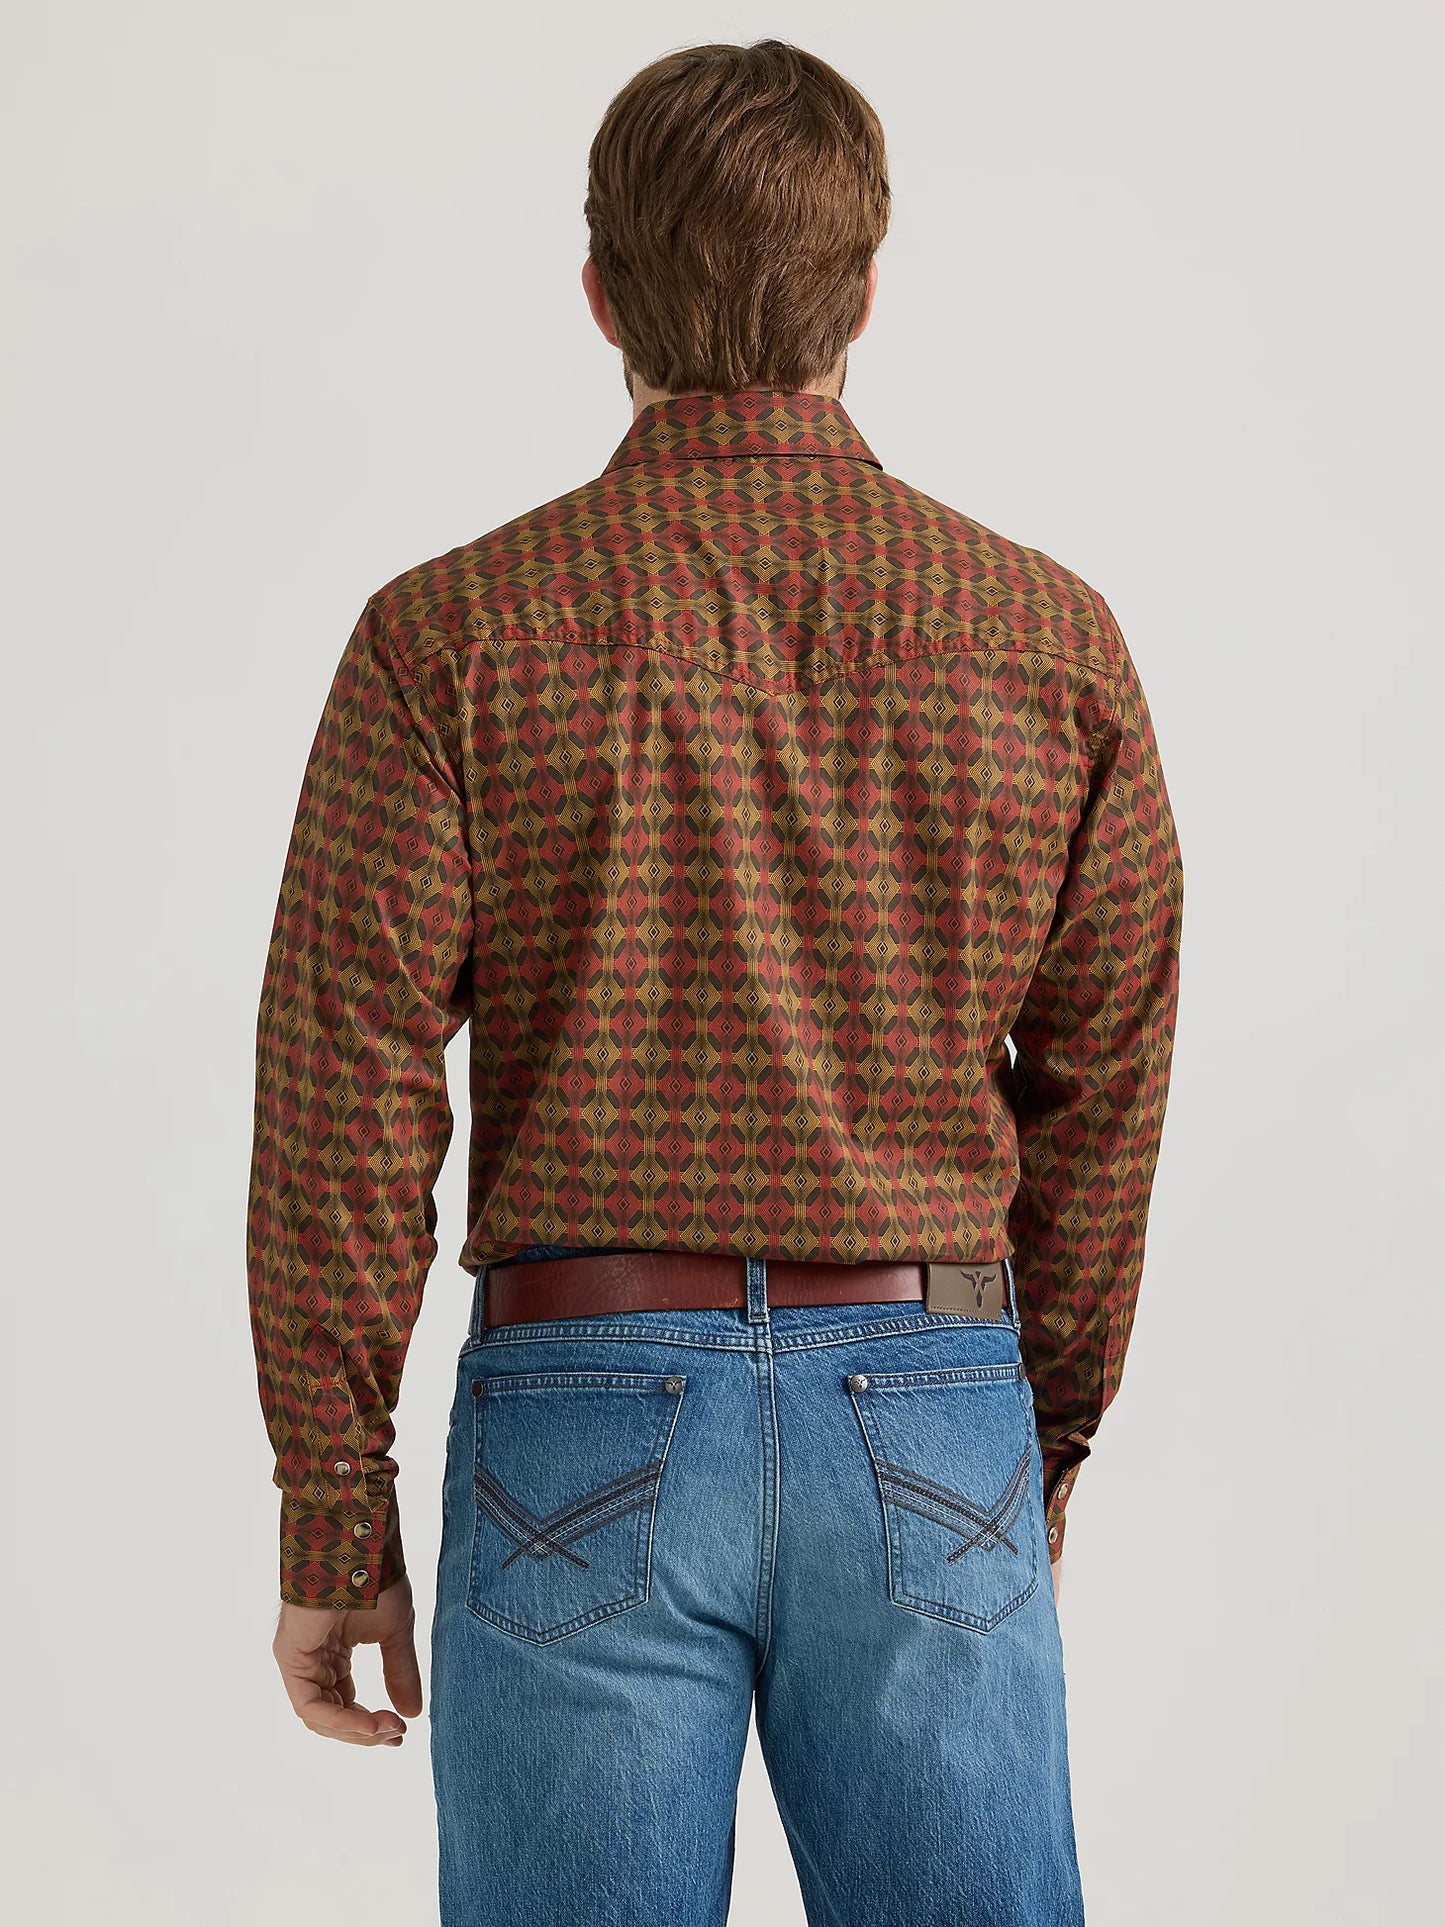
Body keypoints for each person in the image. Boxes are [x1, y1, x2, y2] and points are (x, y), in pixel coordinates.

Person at [247, 36, 1183, 1927]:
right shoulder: (1046, 640)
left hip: (577, 1407)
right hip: (927, 1399)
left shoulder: (449, 636)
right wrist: (1035, 1438)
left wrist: (335, 1514)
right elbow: (1108, 1082)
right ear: (865, 290)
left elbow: (341, 1091)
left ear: (599, 292)